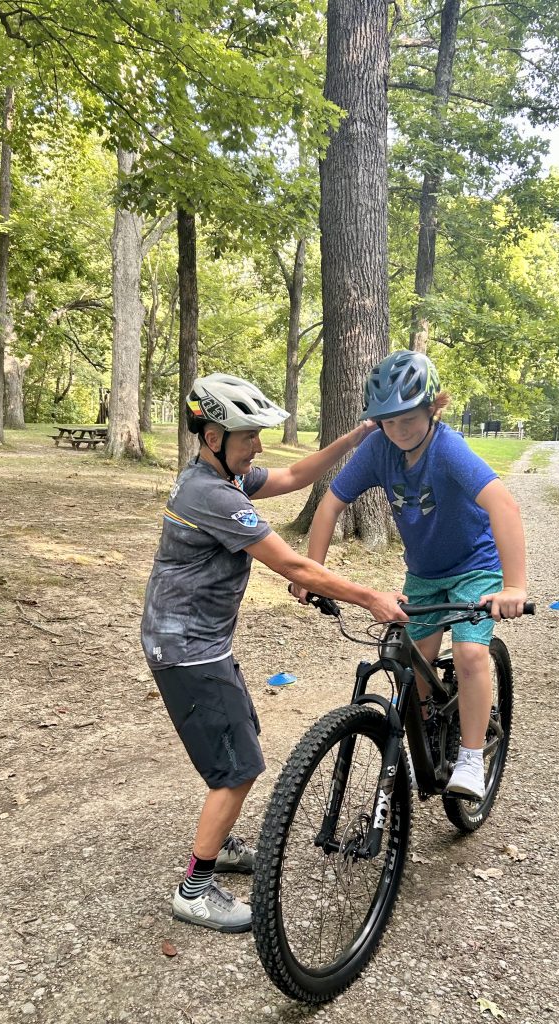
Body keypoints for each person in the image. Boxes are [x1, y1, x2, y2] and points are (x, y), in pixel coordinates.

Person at [141, 372, 407, 934]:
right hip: (186, 650)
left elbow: (292, 475)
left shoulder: (219, 475)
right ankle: (195, 889)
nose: (258, 447)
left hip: (198, 642)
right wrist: (370, 597)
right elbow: (291, 565)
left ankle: (221, 843)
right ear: (213, 436)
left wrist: (357, 436)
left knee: (240, 742)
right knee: (237, 768)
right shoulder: (211, 494)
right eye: (248, 436)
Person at [293, 350, 527, 802]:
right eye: (388, 421)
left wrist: (514, 585)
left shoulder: (448, 448)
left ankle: (473, 758)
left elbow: (504, 506)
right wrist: (313, 573)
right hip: (423, 572)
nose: (399, 430)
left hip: (475, 567)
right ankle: (429, 740)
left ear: (433, 406)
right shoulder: (379, 448)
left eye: (408, 418)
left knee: (470, 653)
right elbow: (330, 505)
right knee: (412, 665)